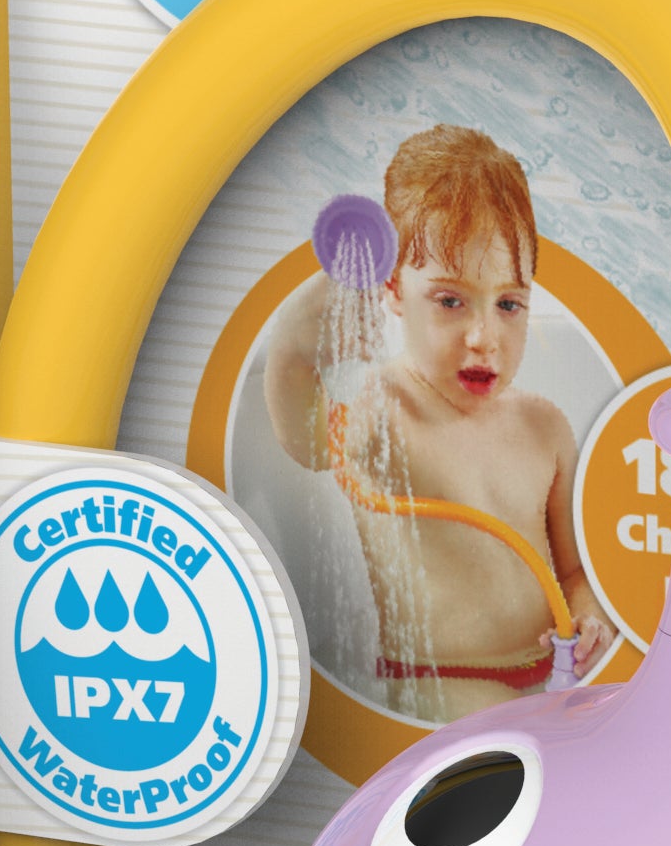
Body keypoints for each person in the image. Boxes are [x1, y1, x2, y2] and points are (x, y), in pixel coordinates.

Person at [257, 123, 623, 716]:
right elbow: (307, 440)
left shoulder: (544, 426)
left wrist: (588, 618)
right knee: (506, 734)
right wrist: (294, 353)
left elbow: (576, 569)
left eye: (509, 304)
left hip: (547, 666)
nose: (484, 337)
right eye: (450, 301)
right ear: (393, 290)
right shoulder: (385, 407)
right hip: (436, 680)